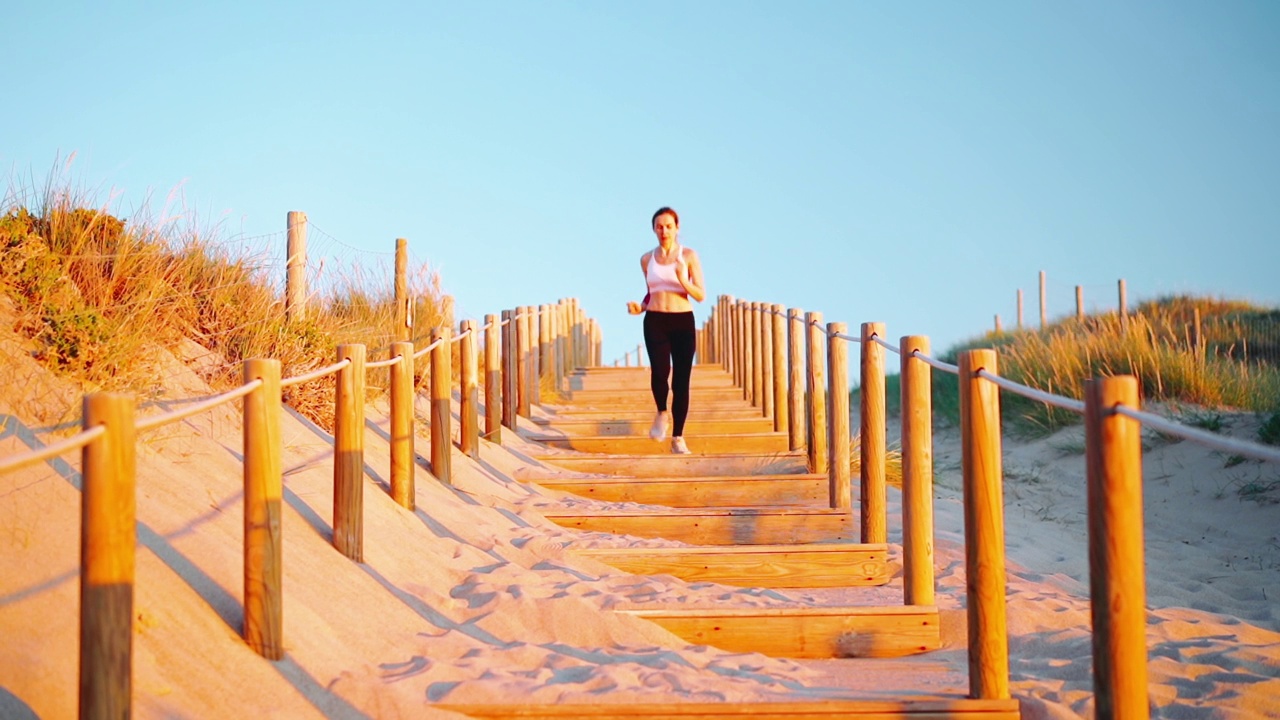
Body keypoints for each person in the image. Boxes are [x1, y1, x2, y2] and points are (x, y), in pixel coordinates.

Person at [626, 206, 706, 454]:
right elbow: (651, 293)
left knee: (681, 381)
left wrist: (683, 279)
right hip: (655, 321)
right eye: (659, 226)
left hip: (682, 321)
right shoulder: (646, 259)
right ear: (653, 229)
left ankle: (678, 438)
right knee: (660, 373)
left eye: (669, 226)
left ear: (677, 228)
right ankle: (662, 411)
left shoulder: (689, 256)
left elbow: (700, 295)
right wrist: (640, 307)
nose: (664, 231)